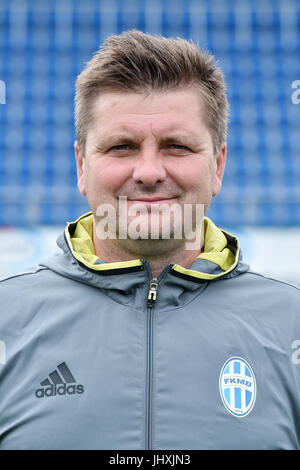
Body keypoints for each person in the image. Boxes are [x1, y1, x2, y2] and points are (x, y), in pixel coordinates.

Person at [1, 30, 300, 451]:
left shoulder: (292, 324)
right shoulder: (6, 321)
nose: (148, 172)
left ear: (218, 165)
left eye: (176, 146)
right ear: (81, 165)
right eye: (122, 147)